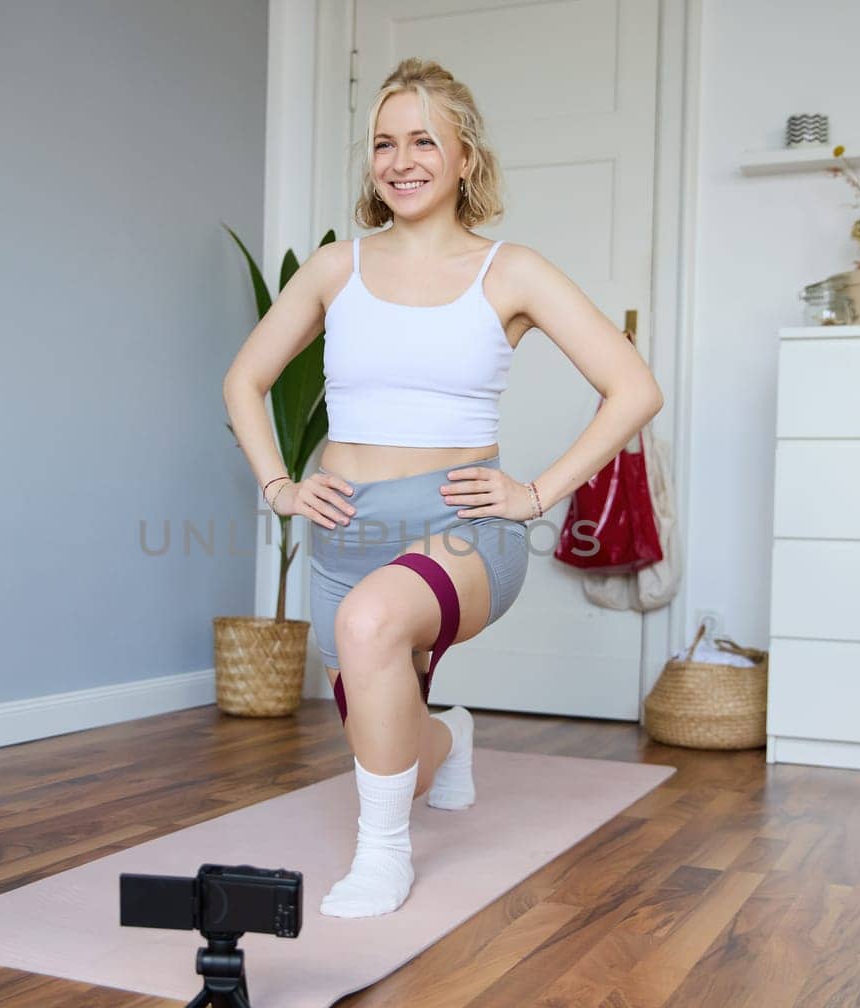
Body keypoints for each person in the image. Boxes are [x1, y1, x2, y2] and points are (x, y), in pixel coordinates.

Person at [221, 58, 663, 918]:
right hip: (347, 531)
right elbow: (244, 380)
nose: (402, 159)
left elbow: (634, 388)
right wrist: (278, 484)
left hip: (465, 528)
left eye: (425, 138)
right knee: (400, 752)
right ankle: (450, 735)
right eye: (385, 142)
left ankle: (383, 855)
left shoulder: (513, 271)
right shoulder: (333, 270)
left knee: (370, 622)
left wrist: (536, 494)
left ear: (466, 158)